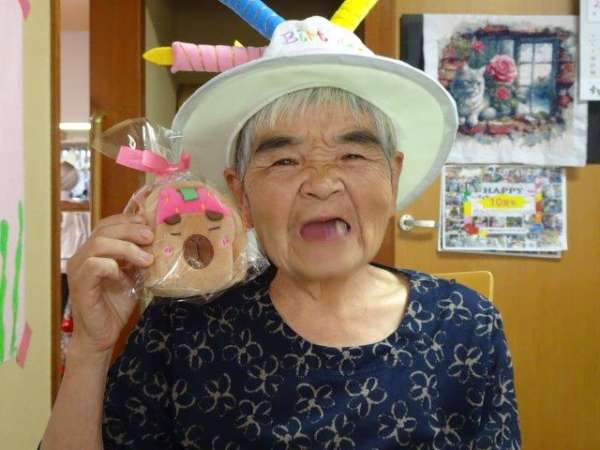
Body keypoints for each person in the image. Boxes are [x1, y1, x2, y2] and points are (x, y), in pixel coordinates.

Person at [41, 5, 520, 450]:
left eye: (352, 155)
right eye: (285, 160)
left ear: (393, 177)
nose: (321, 183)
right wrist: (90, 349)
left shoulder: (465, 324)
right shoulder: (182, 327)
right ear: (241, 195)